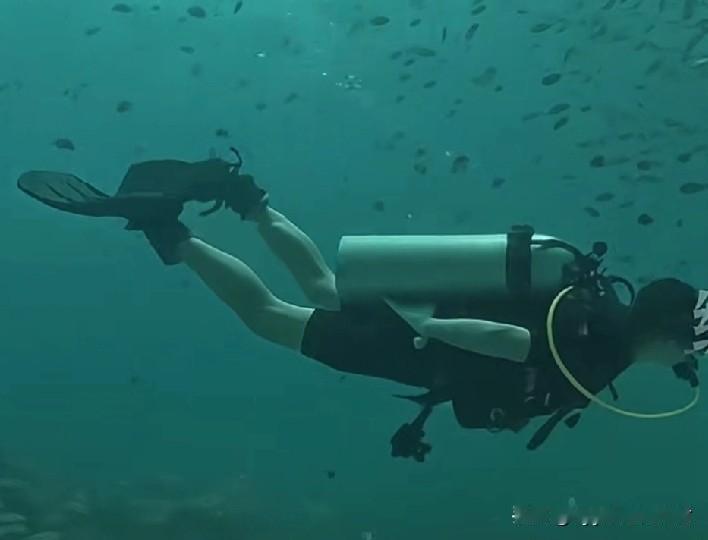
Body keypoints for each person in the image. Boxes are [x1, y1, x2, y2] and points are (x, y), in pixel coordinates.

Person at [17, 150, 703, 462]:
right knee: (270, 318)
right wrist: (429, 325)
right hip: (422, 343)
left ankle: (244, 196)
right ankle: (171, 232)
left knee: (321, 286)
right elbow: (510, 342)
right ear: (670, 337)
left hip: (428, 322)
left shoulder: (594, 306)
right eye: (693, 348)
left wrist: (428, 315)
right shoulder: (600, 349)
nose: (688, 360)